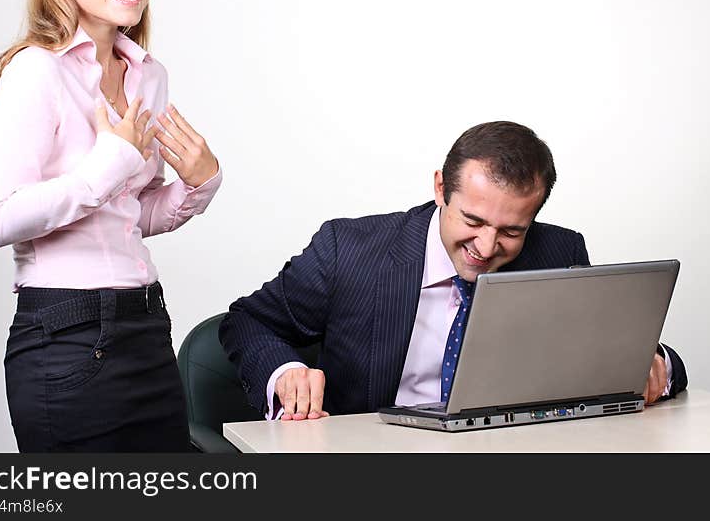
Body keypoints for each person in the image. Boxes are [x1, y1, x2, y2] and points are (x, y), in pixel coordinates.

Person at [219, 121, 686, 420]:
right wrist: (284, 372)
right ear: (441, 188)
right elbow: (248, 320)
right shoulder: (351, 250)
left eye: (511, 231)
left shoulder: (557, 251)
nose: (485, 248)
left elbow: (612, 343)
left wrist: (651, 364)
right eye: (473, 220)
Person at [0, 0, 222, 451]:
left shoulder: (148, 76)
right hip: (66, 334)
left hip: (146, 327)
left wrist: (200, 183)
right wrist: (110, 163)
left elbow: (130, 215)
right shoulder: (35, 73)